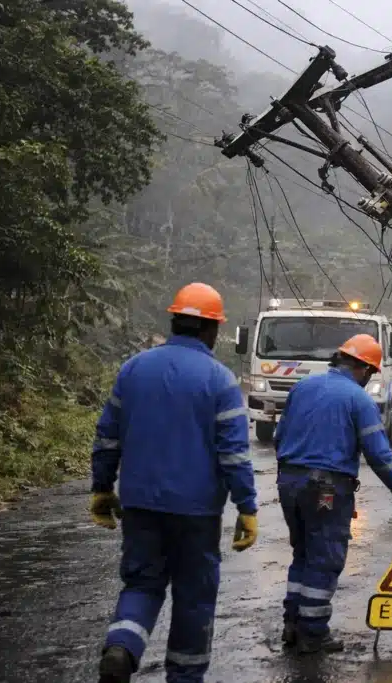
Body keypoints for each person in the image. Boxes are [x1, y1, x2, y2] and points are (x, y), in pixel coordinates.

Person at [91, 282, 259, 683]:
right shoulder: (219, 381)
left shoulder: (133, 369)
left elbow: (107, 437)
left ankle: (122, 647)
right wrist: (247, 506)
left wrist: (101, 488)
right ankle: (184, 678)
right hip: (196, 513)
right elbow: (233, 454)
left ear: (174, 321)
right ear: (212, 330)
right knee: (193, 598)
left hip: (140, 505)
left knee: (142, 584)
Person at [274, 333, 392, 654]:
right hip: (326, 489)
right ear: (364, 369)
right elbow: (379, 455)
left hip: (289, 482)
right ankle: (312, 633)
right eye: (370, 373)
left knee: (303, 553)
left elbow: (279, 436)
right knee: (325, 557)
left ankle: (292, 624)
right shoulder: (358, 400)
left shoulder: (302, 387)